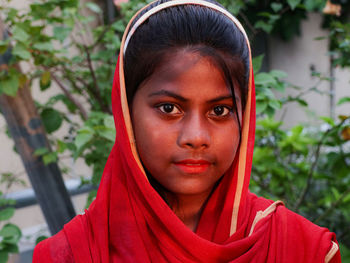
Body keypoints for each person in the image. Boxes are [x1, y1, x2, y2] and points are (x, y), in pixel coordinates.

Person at [33, 0, 341, 262]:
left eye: (219, 111)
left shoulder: (302, 249)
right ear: (127, 113)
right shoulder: (70, 254)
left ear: (244, 116)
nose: (195, 137)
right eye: (169, 108)